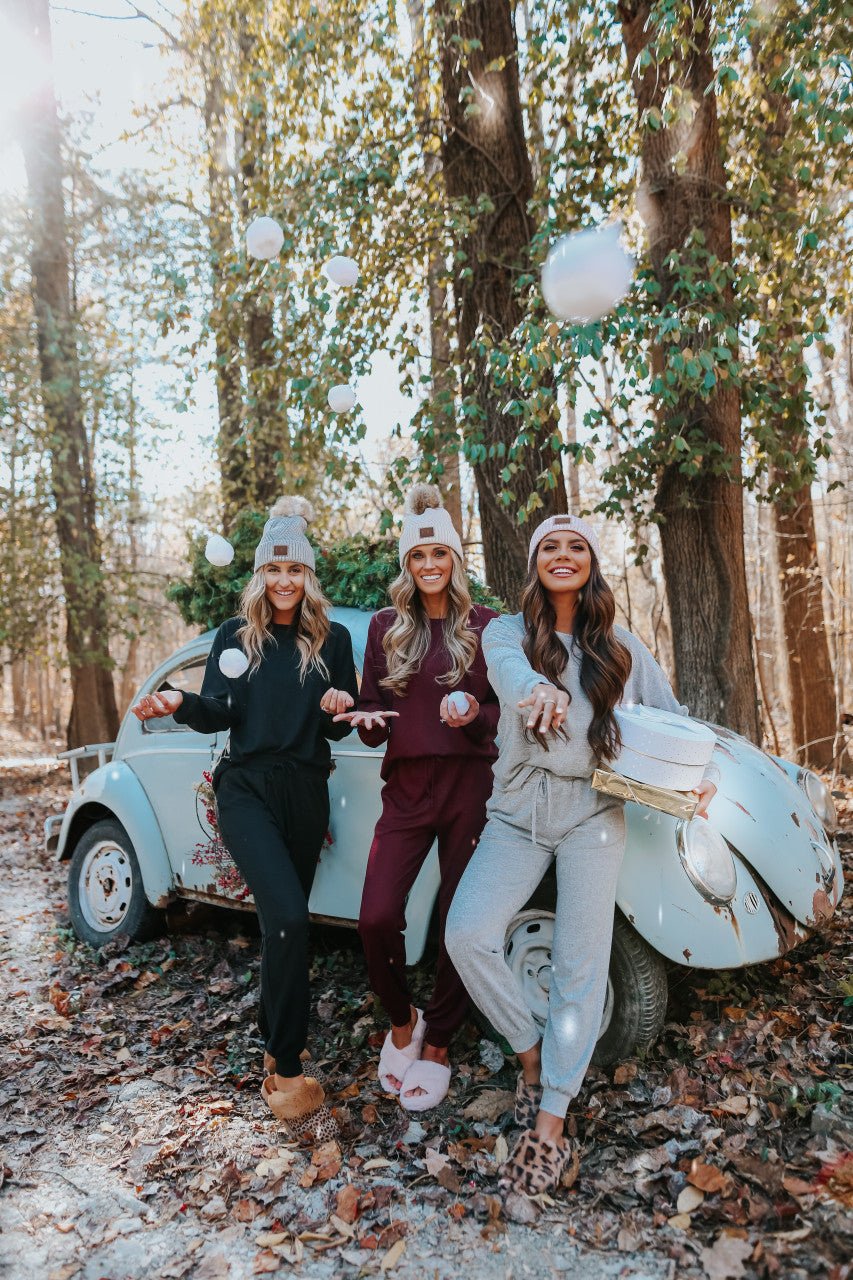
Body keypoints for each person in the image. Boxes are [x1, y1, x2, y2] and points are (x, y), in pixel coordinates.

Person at [445, 514, 719, 1194]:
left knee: (580, 963)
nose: (562, 556)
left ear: (591, 564)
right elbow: (507, 673)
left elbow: (671, 716)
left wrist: (697, 774)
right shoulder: (507, 632)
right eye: (548, 547)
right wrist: (535, 689)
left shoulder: (620, 647)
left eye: (575, 547)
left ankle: (550, 1122)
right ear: (534, 563)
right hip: (517, 812)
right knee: (467, 933)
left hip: (595, 812)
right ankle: (528, 1051)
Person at [131, 497, 358, 1143]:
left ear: (307, 577)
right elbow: (220, 709)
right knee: (285, 917)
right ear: (259, 577)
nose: (283, 580)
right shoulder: (236, 638)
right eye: (272, 569)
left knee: (286, 925)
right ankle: (285, 1073)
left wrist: (344, 700)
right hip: (247, 789)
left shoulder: (332, 640)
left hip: (306, 792)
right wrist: (177, 701)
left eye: (294, 569)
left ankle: (270, 1041)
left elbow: (341, 712)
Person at [334, 485, 499, 1111]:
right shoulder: (384, 627)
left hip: (469, 787)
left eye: (439, 554)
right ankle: (402, 1025)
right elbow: (376, 708)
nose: (429, 566)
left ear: (455, 560)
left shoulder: (485, 626)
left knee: (459, 918)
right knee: (376, 915)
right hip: (405, 789)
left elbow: (499, 709)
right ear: (406, 565)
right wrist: (367, 719)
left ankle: (439, 1045)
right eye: (417, 556)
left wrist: (473, 714)